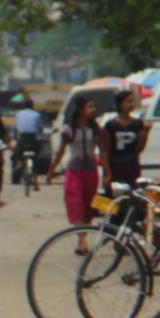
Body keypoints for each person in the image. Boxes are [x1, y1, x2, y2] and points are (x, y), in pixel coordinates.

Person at [50, 96, 104, 242]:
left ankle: (83, 236)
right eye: (89, 107)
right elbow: (61, 151)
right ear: (81, 110)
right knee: (75, 203)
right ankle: (81, 239)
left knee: (88, 205)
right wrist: (52, 170)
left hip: (91, 171)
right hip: (74, 171)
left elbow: (103, 150)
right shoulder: (69, 129)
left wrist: (107, 171)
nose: (93, 110)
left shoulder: (95, 129)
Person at [103, 88, 149, 193]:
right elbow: (105, 150)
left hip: (132, 165)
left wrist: (146, 133)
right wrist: (107, 172)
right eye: (128, 101)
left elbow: (139, 148)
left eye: (133, 101)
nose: (131, 104)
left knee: (133, 194)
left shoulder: (137, 123)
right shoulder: (111, 125)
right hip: (115, 165)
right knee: (112, 196)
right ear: (120, 104)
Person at [11, 96, 45, 190]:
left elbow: (15, 129)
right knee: (37, 157)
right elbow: (40, 129)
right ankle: (36, 182)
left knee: (16, 154)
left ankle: (18, 163)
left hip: (22, 140)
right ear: (32, 106)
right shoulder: (37, 115)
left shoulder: (18, 114)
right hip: (33, 140)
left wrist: (14, 137)